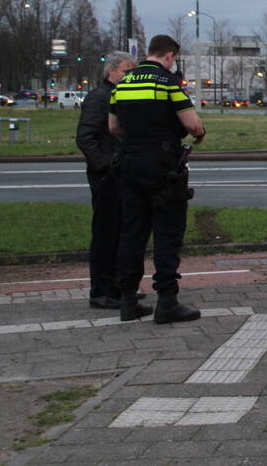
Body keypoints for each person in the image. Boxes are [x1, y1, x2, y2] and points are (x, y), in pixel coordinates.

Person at [109, 35, 206, 323]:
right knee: (167, 232)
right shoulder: (167, 82)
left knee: (132, 232)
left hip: (129, 163)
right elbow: (192, 124)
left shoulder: (124, 83)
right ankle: (167, 301)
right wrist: (199, 133)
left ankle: (128, 300)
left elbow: (113, 126)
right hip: (162, 166)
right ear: (170, 55)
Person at [75, 51, 137, 309]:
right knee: (105, 233)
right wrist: (105, 165)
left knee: (121, 232)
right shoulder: (99, 97)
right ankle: (100, 290)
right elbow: (85, 137)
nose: (130, 77)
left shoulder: (118, 96)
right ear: (111, 71)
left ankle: (117, 287)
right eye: (126, 72)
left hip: (120, 173)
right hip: (107, 176)